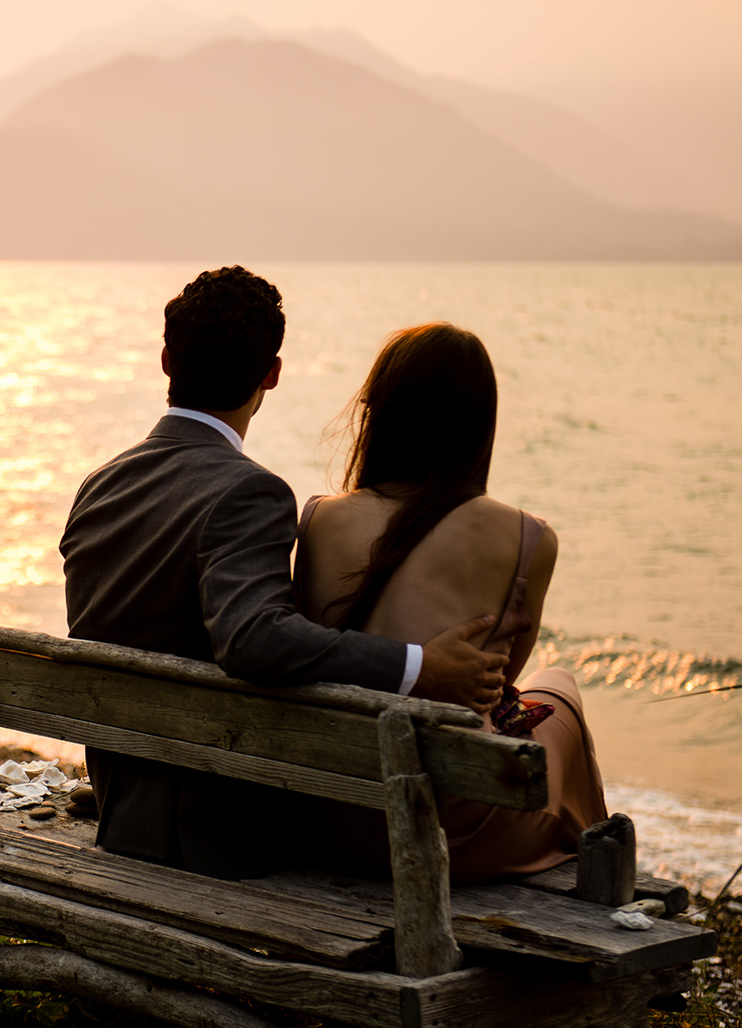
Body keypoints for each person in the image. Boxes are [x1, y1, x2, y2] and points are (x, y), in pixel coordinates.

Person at [60, 267, 515, 879]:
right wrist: (419, 665)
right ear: (272, 374)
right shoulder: (250, 492)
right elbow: (254, 639)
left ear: (167, 360)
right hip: (217, 837)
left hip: (124, 811)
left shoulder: (101, 485)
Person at [294, 321, 608, 881]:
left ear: (381, 413)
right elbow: (500, 680)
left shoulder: (321, 519)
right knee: (558, 689)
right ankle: (595, 869)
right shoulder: (527, 538)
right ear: (478, 426)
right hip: (449, 830)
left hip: (333, 814)